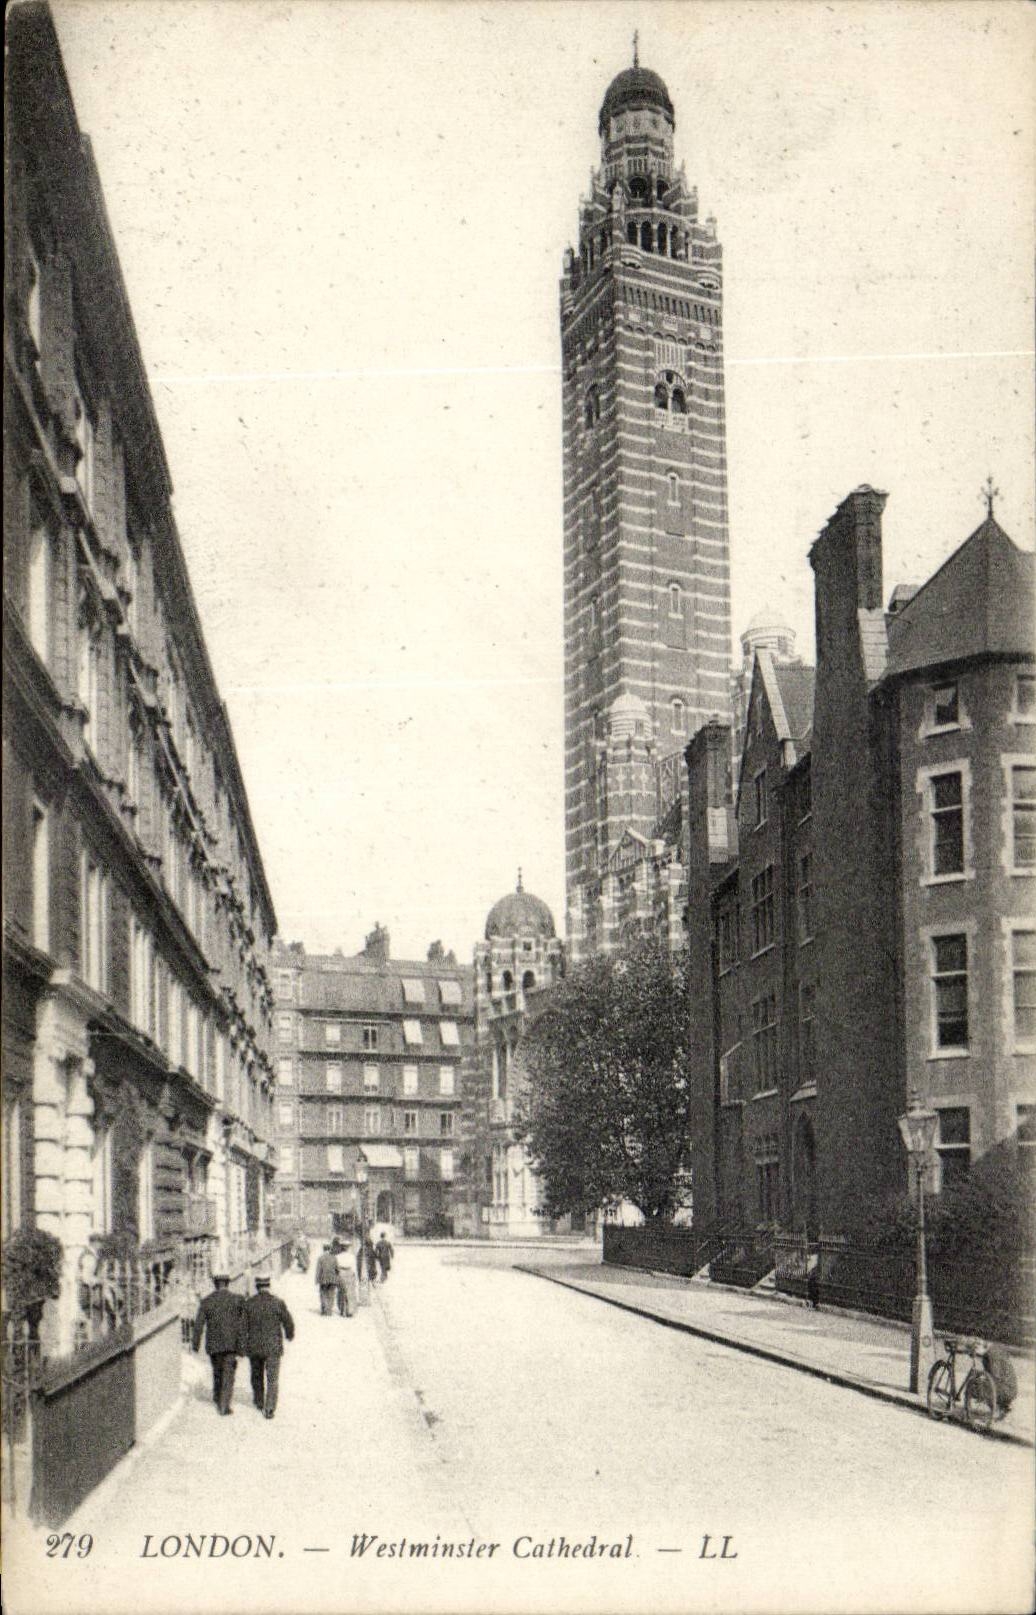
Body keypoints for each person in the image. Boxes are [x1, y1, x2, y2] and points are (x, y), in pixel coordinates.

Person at [191, 1273, 244, 1416]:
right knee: (228, 1373)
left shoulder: (207, 1301)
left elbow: (198, 1324)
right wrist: (243, 1344)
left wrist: (195, 1344)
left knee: (217, 1370)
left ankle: (217, 1396)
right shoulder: (237, 1300)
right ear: (227, 1283)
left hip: (213, 1344)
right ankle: (224, 1405)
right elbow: (244, 1323)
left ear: (215, 1284)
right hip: (231, 1343)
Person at [243, 1275, 294, 1419]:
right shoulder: (278, 1303)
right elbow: (288, 1322)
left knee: (256, 1375)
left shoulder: (249, 1304)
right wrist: (289, 1335)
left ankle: (259, 1401)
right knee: (272, 1378)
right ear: (268, 1285)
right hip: (273, 1347)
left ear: (257, 1286)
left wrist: (242, 1344)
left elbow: (242, 1326)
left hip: (254, 1346)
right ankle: (270, 1407)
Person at [335, 1241, 358, 1317]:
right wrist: (355, 1276)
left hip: (341, 1273)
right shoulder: (352, 1256)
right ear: (348, 1248)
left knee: (341, 1291)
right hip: (350, 1273)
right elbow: (354, 1267)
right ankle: (349, 1310)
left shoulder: (337, 1256)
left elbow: (336, 1267)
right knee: (350, 1292)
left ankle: (342, 1310)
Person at [315, 1243, 338, 1314]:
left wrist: (317, 1280)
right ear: (330, 1249)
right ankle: (329, 1310)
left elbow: (318, 1270)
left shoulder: (320, 1258)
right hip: (332, 1279)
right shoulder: (334, 1257)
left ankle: (324, 1309)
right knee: (331, 1294)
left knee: (323, 1294)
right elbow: (337, 1269)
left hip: (323, 1279)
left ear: (323, 1249)